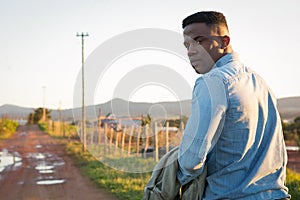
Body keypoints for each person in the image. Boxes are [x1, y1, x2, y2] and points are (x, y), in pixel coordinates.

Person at [176, 11, 291, 199]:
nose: (191, 51)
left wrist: (176, 174)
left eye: (199, 41)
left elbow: (190, 161)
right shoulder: (261, 83)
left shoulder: (212, 82)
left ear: (224, 41)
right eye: (187, 45)